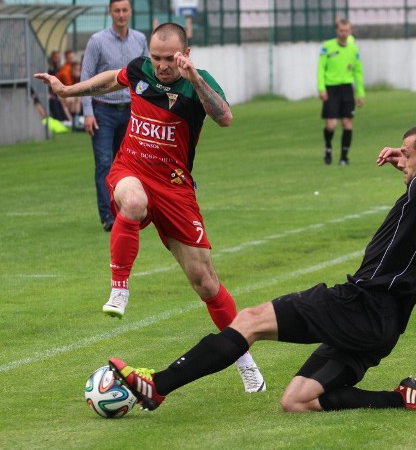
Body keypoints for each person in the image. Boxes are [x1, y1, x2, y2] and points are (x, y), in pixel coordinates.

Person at [106, 100, 416, 413]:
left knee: (249, 321)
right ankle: (403, 398)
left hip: (362, 304)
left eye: (409, 155)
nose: (403, 162)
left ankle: (158, 385)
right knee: (297, 401)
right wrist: (405, 159)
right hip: (385, 325)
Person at [34, 22, 266, 393]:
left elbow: (223, 116)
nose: (160, 65)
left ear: (185, 54)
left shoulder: (196, 82)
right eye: (156, 58)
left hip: (175, 189)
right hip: (132, 170)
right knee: (134, 200)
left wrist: (195, 78)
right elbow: (113, 78)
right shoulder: (142, 69)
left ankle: (242, 356)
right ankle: (119, 287)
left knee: (206, 283)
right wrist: (68, 89)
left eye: (169, 59)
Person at [81, 0, 148, 232]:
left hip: (131, 112)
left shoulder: (140, 39)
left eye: (125, 10)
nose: (121, 15)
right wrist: (88, 112)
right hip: (103, 110)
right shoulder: (97, 41)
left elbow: (146, 76)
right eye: (116, 10)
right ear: (110, 12)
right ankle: (109, 217)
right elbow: (86, 76)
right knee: (104, 164)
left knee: (130, 164)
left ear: (130, 12)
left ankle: (127, 211)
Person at [317, 19, 364, 166]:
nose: (344, 33)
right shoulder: (327, 47)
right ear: (337, 31)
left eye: (346, 31)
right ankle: (328, 148)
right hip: (331, 89)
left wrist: (360, 93)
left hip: (346, 89)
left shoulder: (353, 49)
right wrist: (321, 88)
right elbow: (320, 68)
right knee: (331, 125)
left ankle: (344, 157)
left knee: (347, 123)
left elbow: (358, 71)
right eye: (341, 30)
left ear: (350, 32)